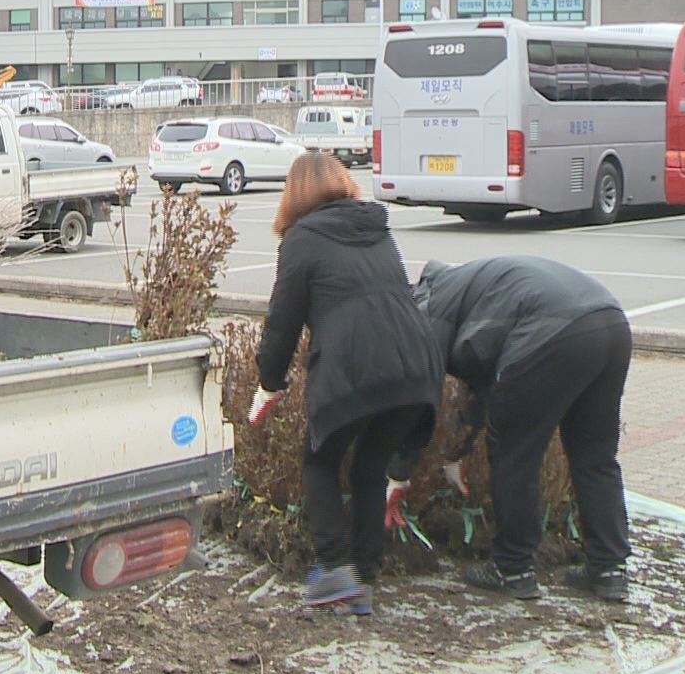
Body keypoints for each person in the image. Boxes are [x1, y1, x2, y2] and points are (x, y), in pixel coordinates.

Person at [250, 151, 443, 614]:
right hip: (415, 365)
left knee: (319, 461)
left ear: (293, 194)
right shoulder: (377, 229)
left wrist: (268, 384)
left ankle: (334, 568)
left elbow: (283, 323)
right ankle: (364, 581)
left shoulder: (300, 240)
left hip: (354, 368)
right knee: (368, 469)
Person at [411, 256, 632, 602]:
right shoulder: (473, 289)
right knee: (595, 455)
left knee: (515, 453)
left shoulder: (432, 305)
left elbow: (422, 388)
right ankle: (609, 569)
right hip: (610, 324)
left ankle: (512, 568)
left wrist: (400, 470)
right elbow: (485, 381)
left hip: (553, 331)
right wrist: (459, 451)